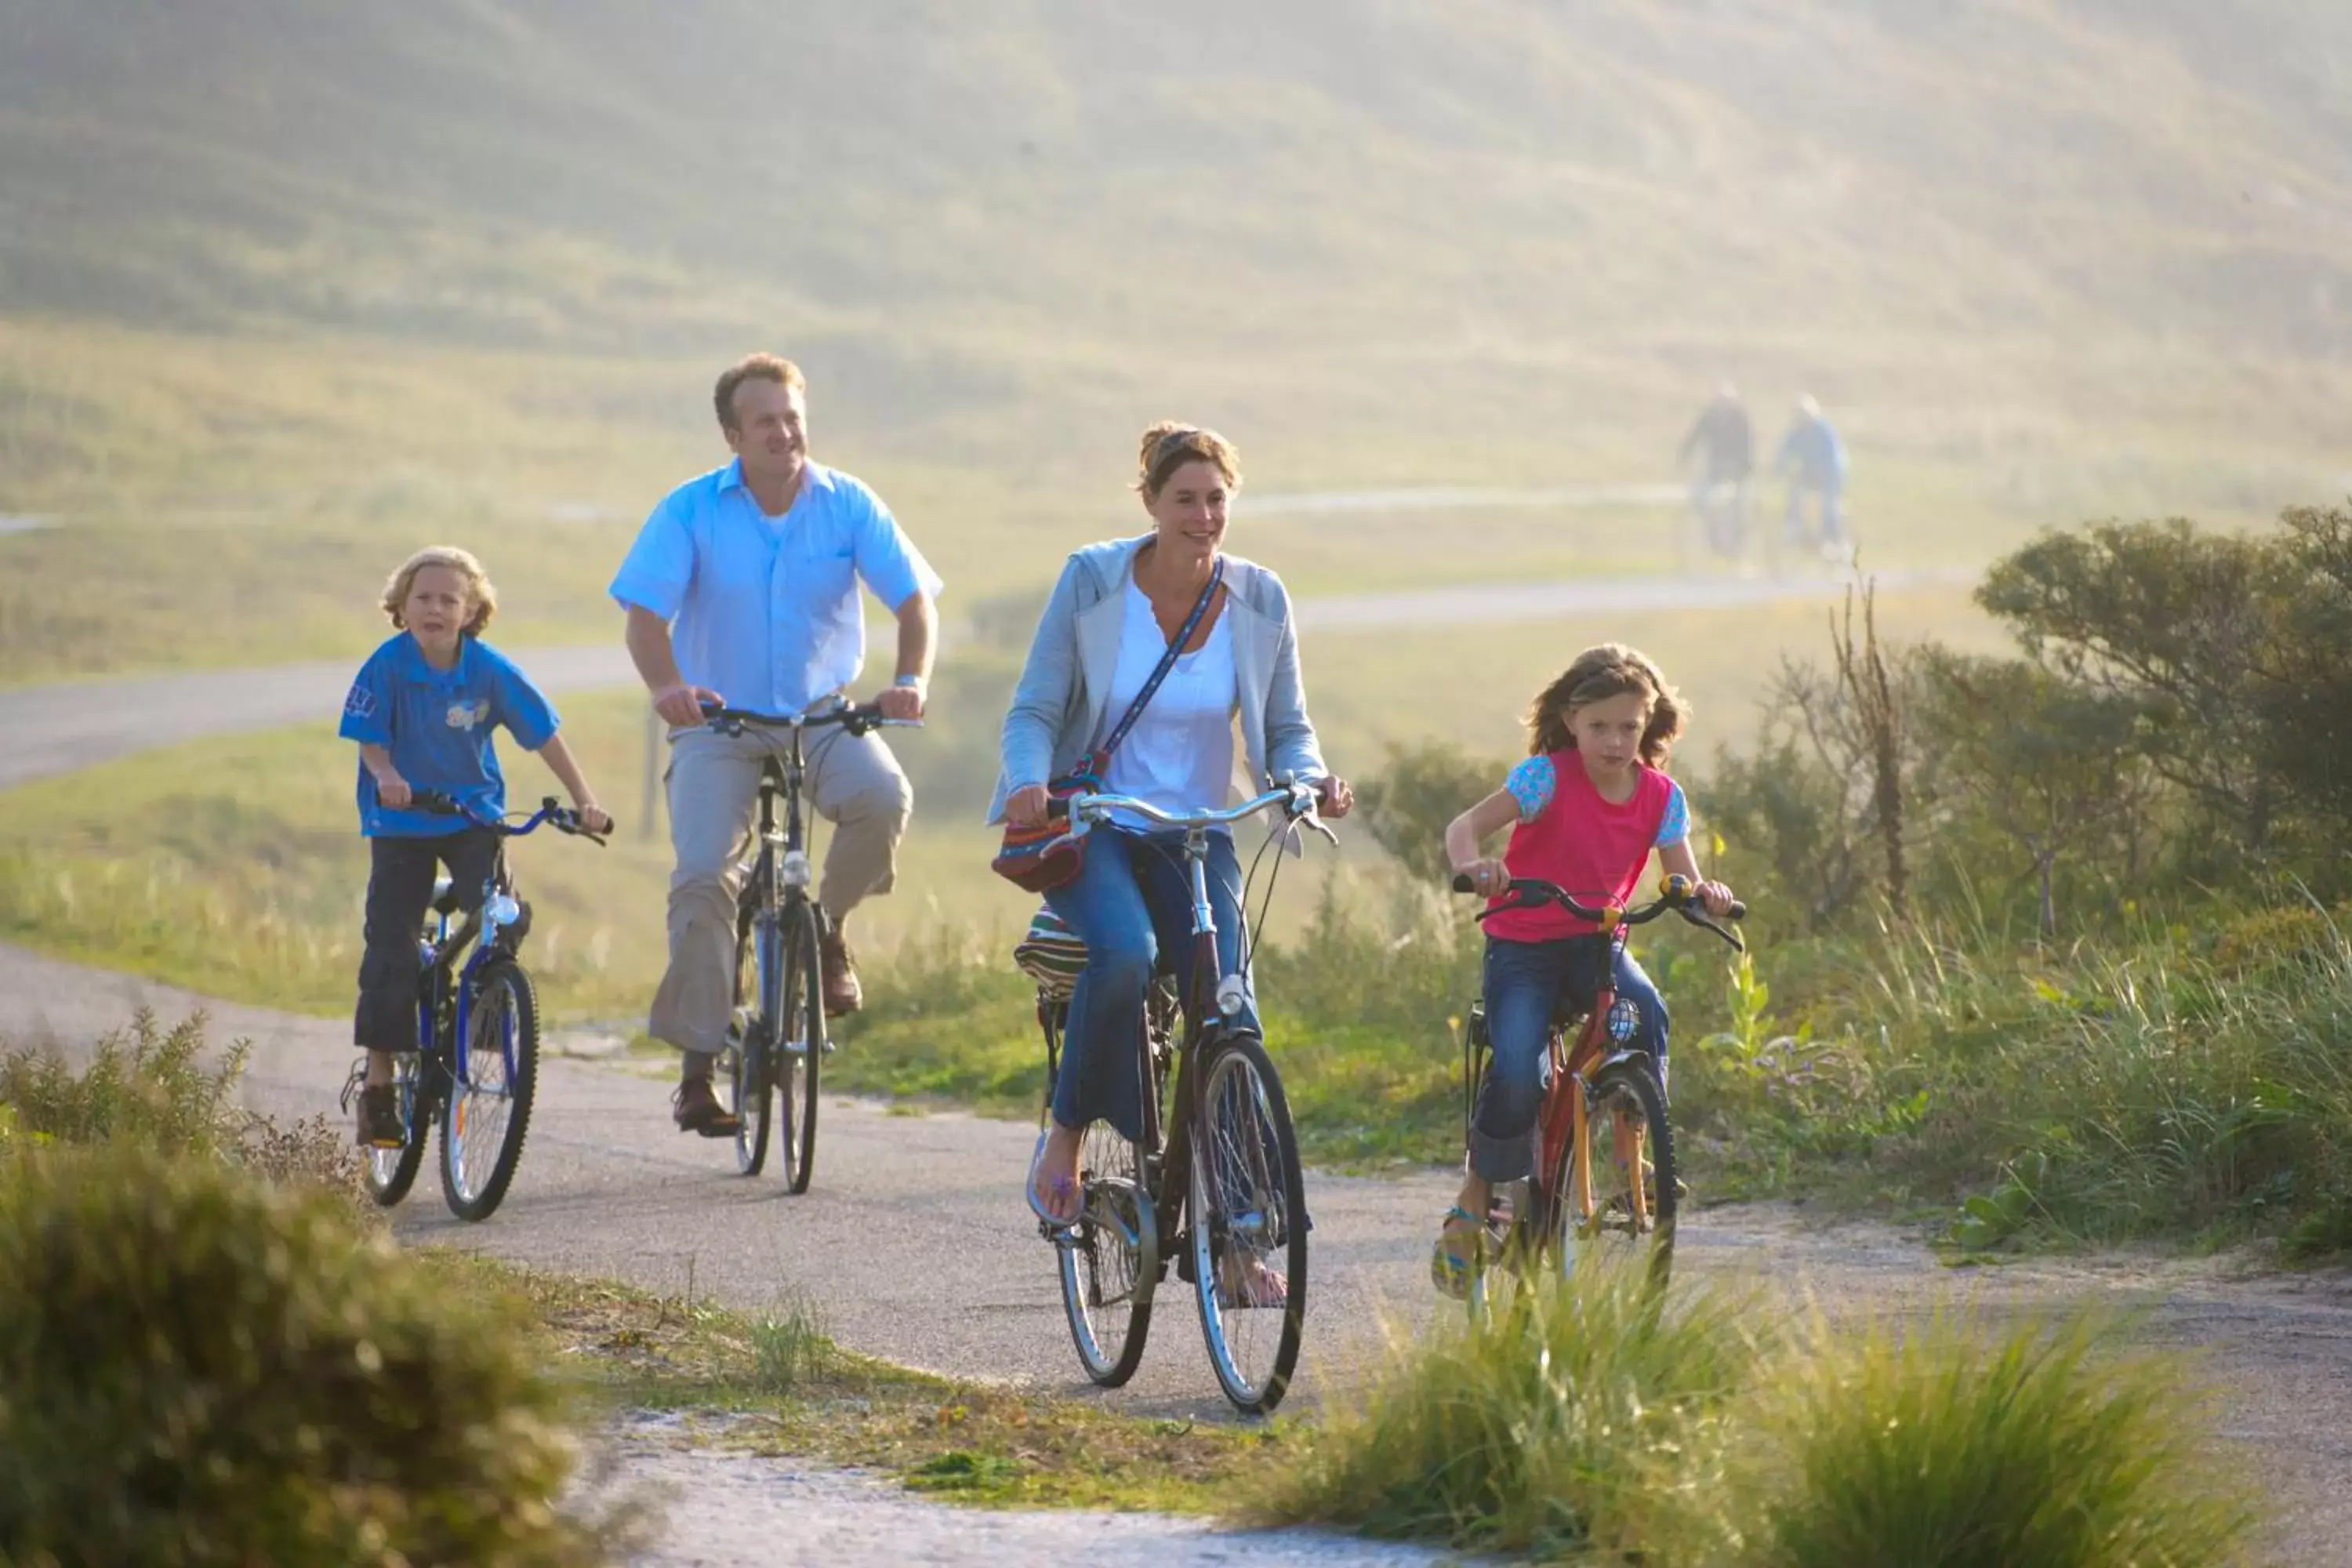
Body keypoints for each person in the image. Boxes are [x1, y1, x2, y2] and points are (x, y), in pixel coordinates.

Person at [993, 423, 1354, 1290]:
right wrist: (1026, 782)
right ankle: (1070, 1138)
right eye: (1185, 499)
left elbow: (1289, 725)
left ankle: (1238, 1242)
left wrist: (1306, 779)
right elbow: (1036, 707)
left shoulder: (1261, 598)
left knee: (1230, 1010)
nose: (1203, 516)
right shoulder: (1092, 580)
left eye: (1217, 499)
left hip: (1198, 831)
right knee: (1125, 955)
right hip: (1097, 825)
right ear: (1150, 502)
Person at [611, 354, 942, 1136]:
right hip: (717, 723)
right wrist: (669, 691)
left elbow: (914, 601)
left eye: (792, 417)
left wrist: (909, 679)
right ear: (733, 433)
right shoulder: (690, 510)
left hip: (823, 715)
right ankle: (698, 1073)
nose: (783, 432)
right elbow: (644, 617)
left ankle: (825, 928)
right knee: (701, 878)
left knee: (882, 798)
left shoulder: (848, 502)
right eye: (765, 420)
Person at [1431, 644, 1735, 1296]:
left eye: (1629, 726)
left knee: (1648, 1014)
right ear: (1572, 722)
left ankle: (1636, 1154)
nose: (1616, 740)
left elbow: (1681, 876)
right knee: (1516, 1064)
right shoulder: (1545, 777)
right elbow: (1465, 828)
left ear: (1647, 725)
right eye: (1599, 726)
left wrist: (1701, 893)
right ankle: (1477, 1197)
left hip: (1599, 946)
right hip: (1524, 948)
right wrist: (1473, 867)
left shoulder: (1660, 796)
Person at [339, 546, 612, 1147]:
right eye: (423, 598)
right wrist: (386, 776)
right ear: (401, 607)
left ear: (471, 611)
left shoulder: (488, 670)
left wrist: (584, 799)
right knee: (390, 946)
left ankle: (484, 1014)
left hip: (471, 815)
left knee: (502, 913)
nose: (435, 608)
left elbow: (545, 734)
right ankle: (380, 1087)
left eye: (449, 599)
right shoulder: (387, 666)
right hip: (402, 824)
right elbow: (367, 737)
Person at [1676, 382, 1752, 559]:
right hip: (1716, 468)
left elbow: (1748, 445)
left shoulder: (1740, 418)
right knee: (1702, 498)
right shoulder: (1709, 417)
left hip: (1737, 470)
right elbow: (1694, 437)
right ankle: (1714, 538)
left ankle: (1737, 542)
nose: (1722, 406)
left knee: (1739, 503)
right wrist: (1684, 457)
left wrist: (1744, 467)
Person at [1775, 394, 1850, 563]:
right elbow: (1784, 451)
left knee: (1828, 506)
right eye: (1799, 415)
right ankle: (1794, 527)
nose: (1802, 419)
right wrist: (1778, 469)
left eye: (1805, 415)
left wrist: (1823, 473)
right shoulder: (1797, 432)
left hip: (1831, 475)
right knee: (1795, 494)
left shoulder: (1824, 431)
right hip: (1810, 475)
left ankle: (1835, 539)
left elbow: (1834, 459)